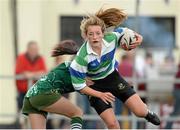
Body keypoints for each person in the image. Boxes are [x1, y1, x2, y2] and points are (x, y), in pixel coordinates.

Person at [69, 7, 160, 129]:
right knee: (112, 124)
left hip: (113, 78)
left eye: (98, 33)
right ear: (86, 36)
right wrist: (99, 95)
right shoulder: (81, 57)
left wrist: (139, 39)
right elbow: (78, 86)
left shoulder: (112, 38)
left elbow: (128, 33)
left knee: (140, 112)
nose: (95, 37)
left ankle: (147, 113)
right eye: (91, 34)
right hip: (95, 86)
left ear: (103, 33)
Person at [22, 40, 115, 129]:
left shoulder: (68, 65)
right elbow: (88, 85)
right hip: (44, 93)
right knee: (77, 113)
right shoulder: (78, 72)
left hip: (31, 95)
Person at [15, 41, 47, 128]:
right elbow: (20, 72)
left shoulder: (40, 58)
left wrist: (31, 75)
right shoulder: (21, 58)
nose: (35, 51)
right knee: (23, 116)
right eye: (33, 49)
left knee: (38, 113)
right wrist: (35, 74)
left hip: (37, 92)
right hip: (23, 91)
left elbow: (44, 73)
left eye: (36, 49)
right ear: (28, 50)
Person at [164, 63, 180, 129]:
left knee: (176, 112)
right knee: (176, 112)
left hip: (177, 92)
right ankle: (167, 127)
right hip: (178, 92)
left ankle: (167, 127)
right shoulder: (178, 73)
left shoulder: (178, 72)